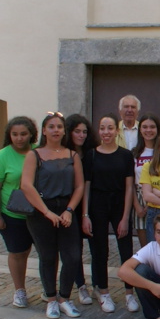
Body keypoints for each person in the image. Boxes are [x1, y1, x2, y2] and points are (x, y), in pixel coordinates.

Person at [21, 113, 84, 319]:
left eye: (59, 127)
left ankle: (64, 298)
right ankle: (50, 299)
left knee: (72, 257)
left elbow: (79, 186)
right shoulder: (34, 155)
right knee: (47, 256)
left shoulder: (72, 156)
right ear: (44, 131)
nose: (56, 130)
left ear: (64, 131)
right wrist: (46, 212)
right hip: (41, 211)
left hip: (66, 209)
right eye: (51, 127)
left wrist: (69, 210)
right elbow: (26, 185)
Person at [82, 113, 138, 313]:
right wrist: (85, 215)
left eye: (110, 128)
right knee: (99, 250)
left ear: (117, 130)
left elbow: (129, 187)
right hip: (97, 205)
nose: (106, 132)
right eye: (102, 128)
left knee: (126, 249)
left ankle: (129, 292)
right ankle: (103, 291)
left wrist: (125, 217)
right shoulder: (91, 155)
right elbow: (86, 187)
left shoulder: (125, 155)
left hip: (119, 204)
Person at [0, 116, 38, 308]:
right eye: (15, 134)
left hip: (38, 213)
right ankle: (20, 290)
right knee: (18, 253)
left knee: (47, 253)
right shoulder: (1, 157)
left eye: (23, 134)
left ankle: (49, 289)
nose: (19, 138)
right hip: (13, 214)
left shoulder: (38, 151)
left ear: (31, 134)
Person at [65, 114, 98, 305]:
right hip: (71, 205)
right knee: (74, 249)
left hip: (92, 204)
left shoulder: (91, 153)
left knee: (96, 248)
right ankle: (80, 285)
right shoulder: (64, 154)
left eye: (85, 131)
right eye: (77, 131)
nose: (82, 135)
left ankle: (97, 285)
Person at [131, 113, 160, 247]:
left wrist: (152, 202)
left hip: (158, 197)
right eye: (144, 127)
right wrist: (137, 205)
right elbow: (130, 183)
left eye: (152, 127)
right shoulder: (134, 153)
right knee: (146, 246)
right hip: (139, 198)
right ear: (140, 130)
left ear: (158, 129)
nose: (148, 130)